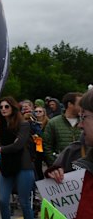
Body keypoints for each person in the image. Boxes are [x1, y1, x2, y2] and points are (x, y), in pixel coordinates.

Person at [45, 88, 93, 218]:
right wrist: (54, 172)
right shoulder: (77, 155)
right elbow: (47, 145)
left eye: (84, 117)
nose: (80, 125)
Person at [0, 96, 34, 219]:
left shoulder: (24, 124)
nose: (3, 109)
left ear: (13, 107)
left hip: (23, 165)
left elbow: (18, 145)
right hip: (6, 165)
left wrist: (1, 149)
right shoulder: (1, 125)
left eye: (6, 106)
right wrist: (2, 147)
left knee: (24, 202)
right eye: (0, 107)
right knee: (3, 201)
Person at [43, 92, 82, 166]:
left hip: (83, 167)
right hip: (61, 169)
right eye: (80, 104)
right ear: (70, 104)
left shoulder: (85, 122)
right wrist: (55, 165)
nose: (82, 106)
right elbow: (47, 146)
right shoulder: (53, 123)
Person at [33, 105, 49, 180]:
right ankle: (41, 181)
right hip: (37, 147)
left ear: (43, 113)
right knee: (37, 166)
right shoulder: (33, 122)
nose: (38, 113)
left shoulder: (48, 122)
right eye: (36, 111)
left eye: (40, 111)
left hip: (46, 146)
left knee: (50, 165)